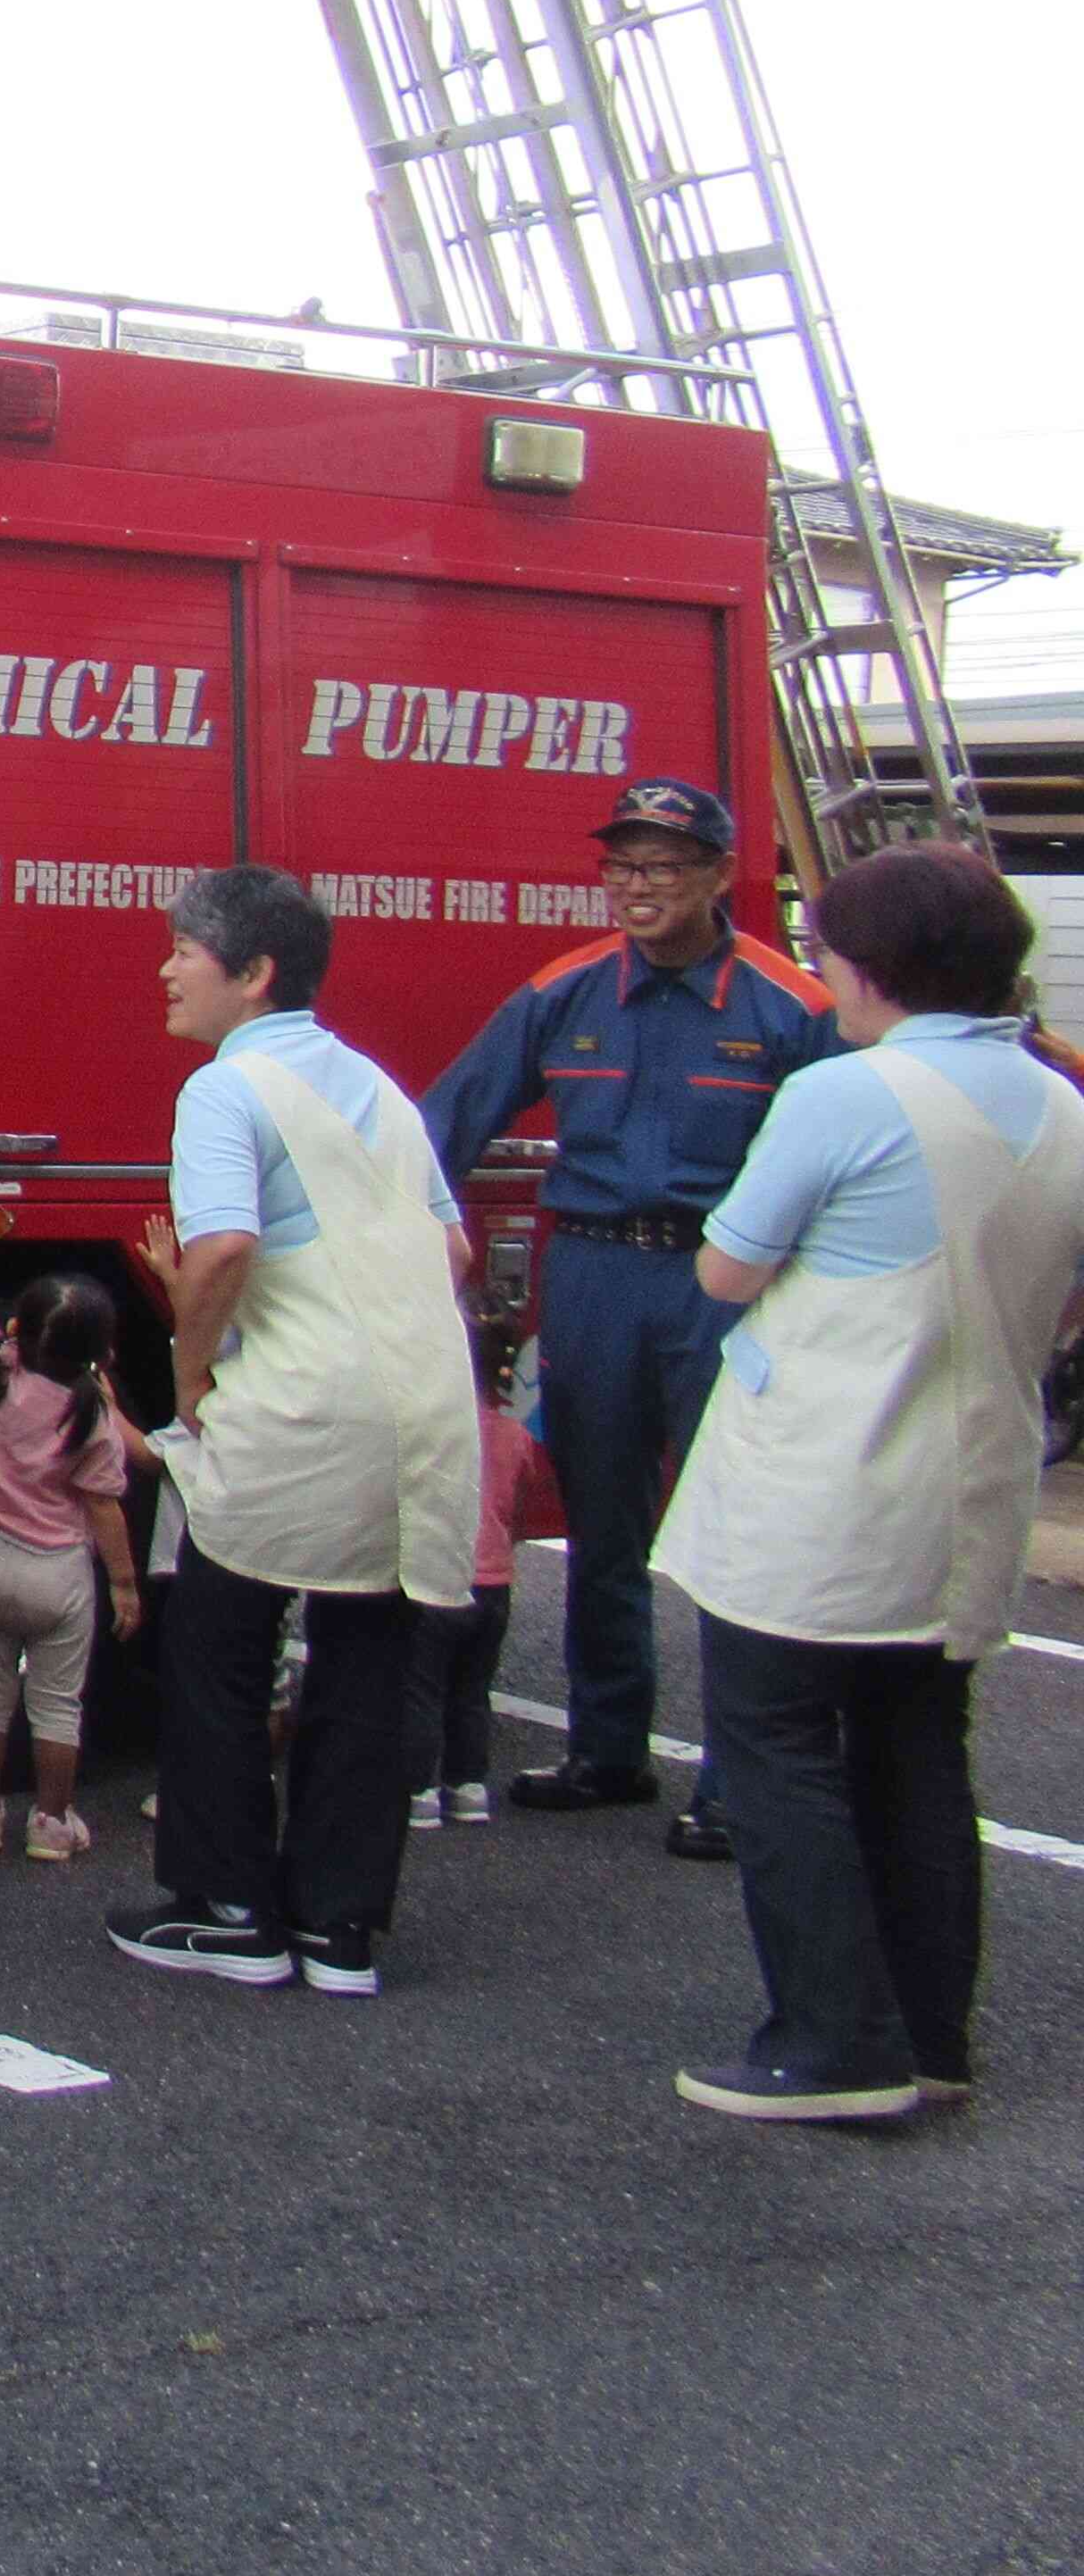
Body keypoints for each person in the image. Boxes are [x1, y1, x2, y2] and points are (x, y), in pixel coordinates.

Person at [652, 841, 1084, 2123]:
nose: (823, 969)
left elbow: (727, 1269)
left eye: (831, 948)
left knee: (779, 1745)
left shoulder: (847, 1094)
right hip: (974, 1479)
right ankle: (932, 2034)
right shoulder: (1062, 1103)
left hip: (826, 1480)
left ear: (881, 969)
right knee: (918, 1753)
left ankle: (833, 2043)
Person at [418, 779, 835, 1859]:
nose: (636, 887)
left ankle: (741, 1781)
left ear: (715, 877)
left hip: (722, 1285)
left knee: (739, 1533)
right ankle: (609, 1750)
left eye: (661, 867)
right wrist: (404, 1242)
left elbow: (848, 1161)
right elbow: (448, 1122)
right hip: (593, 1275)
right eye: (620, 867)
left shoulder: (790, 1006)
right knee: (602, 1521)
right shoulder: (564, 992)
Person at [113, 865, 481, 1997]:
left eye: (185, 949)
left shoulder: (226, 1091)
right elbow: (455, 1255)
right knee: (367, 1656)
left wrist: (189, 1375)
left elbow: (221, 1249)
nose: (166, 968)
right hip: (422, 1404)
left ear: (253, 973)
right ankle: (340, 1926)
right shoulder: (377, 1088)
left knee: (220, 1642)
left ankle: (230, 1908)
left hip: (302, 1403)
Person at [0, 1182, 139, 1861]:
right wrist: (126, 1585)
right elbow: (103, 1506)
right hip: (61, 1573)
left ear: (16, 1329)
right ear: (102, 1355)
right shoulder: (91, 1415)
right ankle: (51, 1821)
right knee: (56, 1704)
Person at [409, 1321, 547, 1830]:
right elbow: (520, 1505)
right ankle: (467, 1785)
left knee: (421, 1688)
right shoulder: (514, 1435)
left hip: (439, 1577)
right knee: (470, 1690)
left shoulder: (431, 1429)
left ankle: (418, 1787)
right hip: (494, 1583)